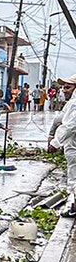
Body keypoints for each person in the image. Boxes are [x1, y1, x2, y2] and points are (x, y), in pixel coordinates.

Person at [48, 76, 76, 216]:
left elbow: (70, 126)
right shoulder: (71, 103)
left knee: (74, 178)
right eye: (63, 87)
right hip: (71, 145)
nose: (64, 90)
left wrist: (55, 142)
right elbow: (60, 120)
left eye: (68, 87)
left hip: (74, 146)